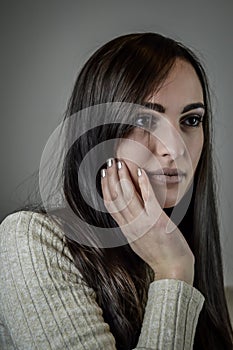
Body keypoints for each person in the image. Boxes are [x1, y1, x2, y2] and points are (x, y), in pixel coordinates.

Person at [0, 32, 232, 350]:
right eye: (144, 120)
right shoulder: (29, 239)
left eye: (191, 120)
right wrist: (174, 272)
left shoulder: (196, 258)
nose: (175, 148)